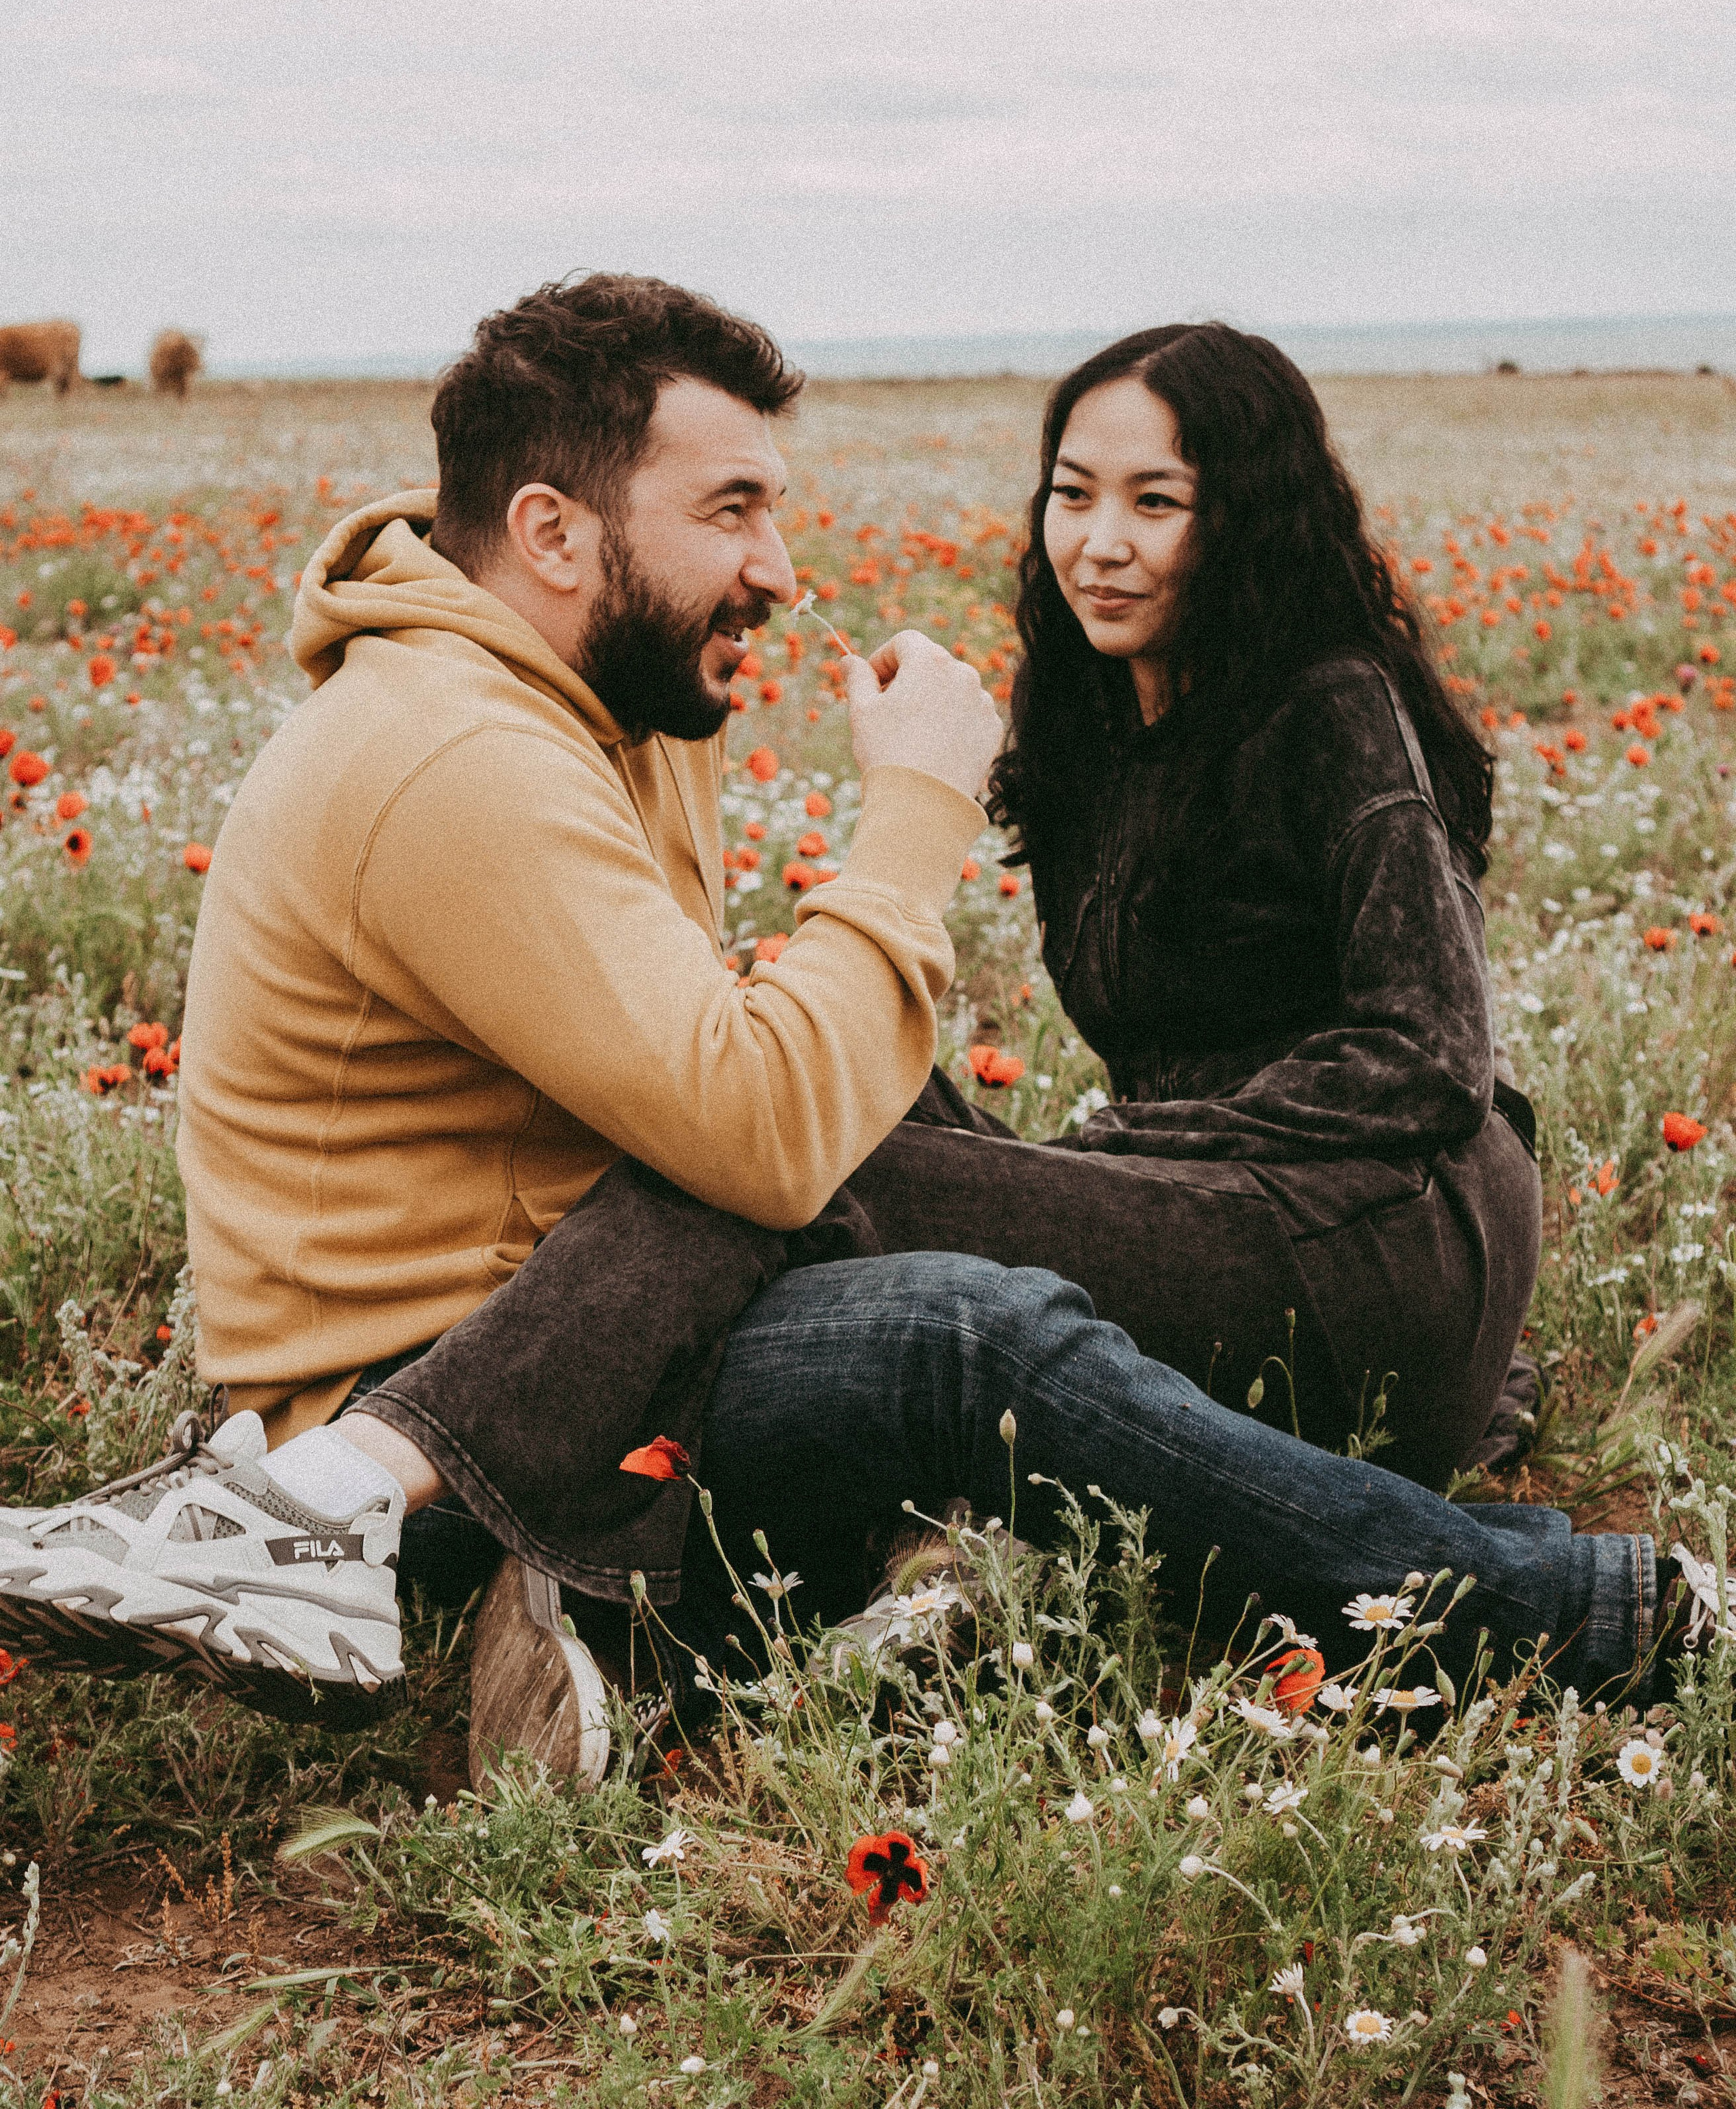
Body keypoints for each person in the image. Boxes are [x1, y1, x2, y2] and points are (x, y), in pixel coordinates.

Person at [0, 277, 1714, 1788]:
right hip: (495, 1371)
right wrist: (905, 821)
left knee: (880, 1165)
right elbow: (752, 1129)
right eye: (732, 510)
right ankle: (1554, 1611)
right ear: (552, 535)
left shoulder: (582, 700)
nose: (778, 567)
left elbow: (757, 1104)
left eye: (1155, 499)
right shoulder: (465, 756)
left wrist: (1055, 1148)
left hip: (573, 1334)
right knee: (953, 1326)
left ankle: (517, 1569)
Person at [846, 324, 1540, 1495]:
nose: (1100, 545)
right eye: (1073, 496)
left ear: (1244, 520)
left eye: (1155, 503)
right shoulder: (1085, 714)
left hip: (1383, 1237)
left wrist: (1122, 1145)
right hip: (1206, 1214)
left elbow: (1432, 1054)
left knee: (830, 1167)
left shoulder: (1330, 704)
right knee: (810, 1069)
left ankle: (529, 1485)